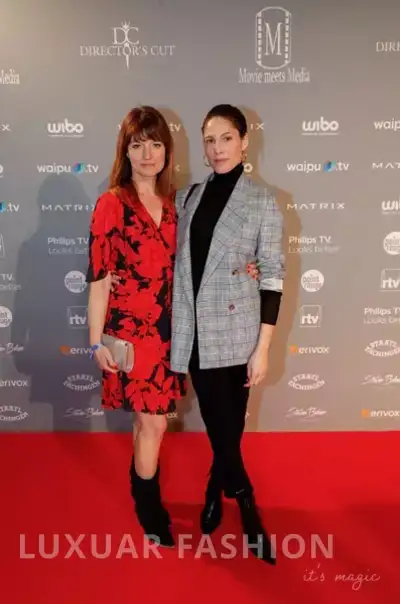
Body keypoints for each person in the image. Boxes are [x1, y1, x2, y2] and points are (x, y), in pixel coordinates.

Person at [170, 104, 285, 564]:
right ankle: (244, 502)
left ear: (244, 141)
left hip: (238, 333)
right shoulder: (187, 198)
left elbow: (272, 274)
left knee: (229, 426)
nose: (217, 148)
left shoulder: (262, 201)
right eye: (209, 139)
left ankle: (220, 493)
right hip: (196, 333)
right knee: (221, 425)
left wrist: (263, 348)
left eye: (226, 138)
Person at [86, 106, 186, 548]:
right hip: (130, 332)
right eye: (138, 144)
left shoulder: (177, 204)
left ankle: (138, 477)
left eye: (156, 144)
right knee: (155, 424)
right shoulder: (112, 204)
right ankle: (148, 504)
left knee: (150, 422)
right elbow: (98, 280)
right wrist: (95, 342)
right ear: (125, 151)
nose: (148, 154)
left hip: (169, 333)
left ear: (167, 149)